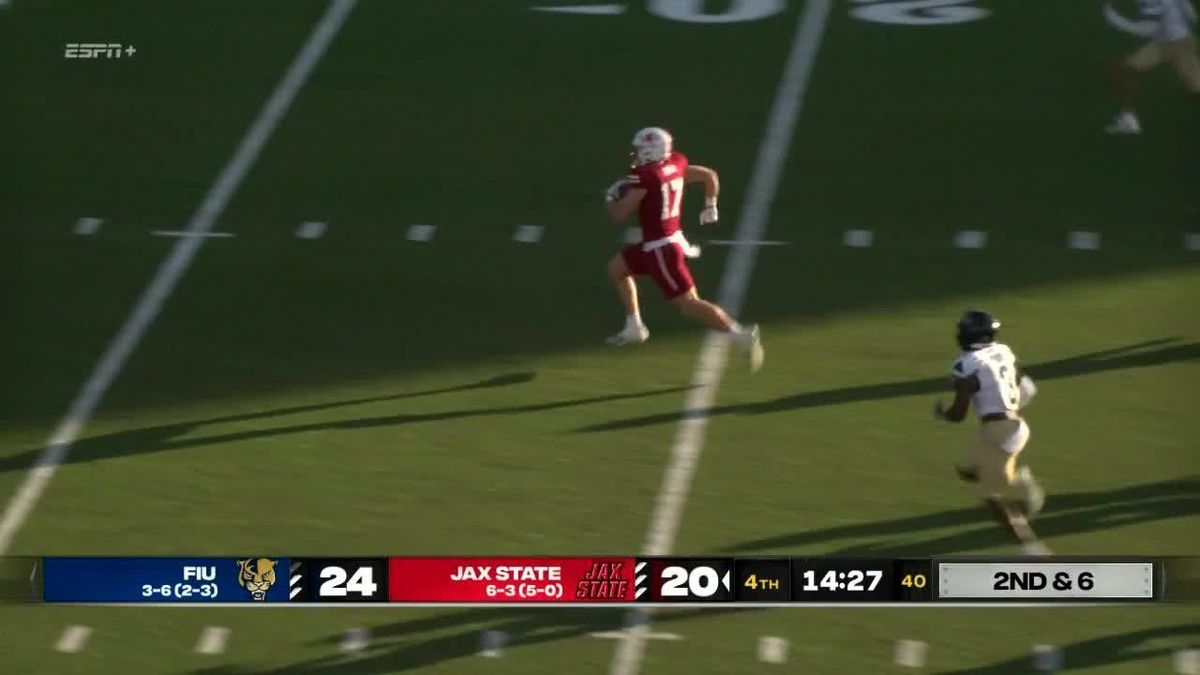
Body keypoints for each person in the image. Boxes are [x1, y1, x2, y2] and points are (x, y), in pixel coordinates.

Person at [602, 127, 764, 372]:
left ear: (650, 151)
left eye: (639, 149)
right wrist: (710, 206)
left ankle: (740, 335)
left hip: (661, 250)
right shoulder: (675, 163)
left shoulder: (646, 178)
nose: (635, 154)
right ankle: (634, 327)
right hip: (664, 242)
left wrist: (611, 197)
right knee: (617, 268)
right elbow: (708, 175)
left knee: (689, 304)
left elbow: (618, 214)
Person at [933, 310, 1049, 555]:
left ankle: (1031, 548)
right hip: (1003, 427)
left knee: (992, 499)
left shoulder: (965, 365)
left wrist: (944, 412)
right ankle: (1016, 478)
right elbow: (1025, 386)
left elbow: (958, 414)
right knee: (968, 471)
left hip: (1001, 431)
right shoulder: (1004, 351)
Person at [1106, 0, 1199, 134]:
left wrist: (1117, 21)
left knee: (1196, 89)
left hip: (1178, 45)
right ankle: (1128, 119)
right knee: (1122, 70)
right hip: (1168, 42)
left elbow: (1150, 29)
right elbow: (1192, 15)